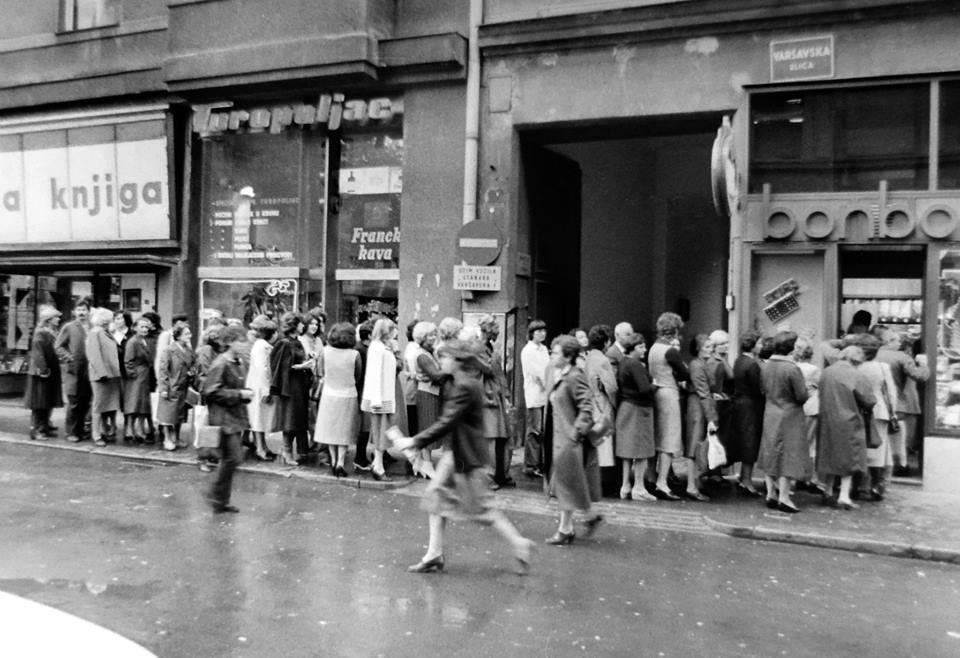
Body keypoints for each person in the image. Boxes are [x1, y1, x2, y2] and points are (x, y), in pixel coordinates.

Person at [392, 339, 535, 575]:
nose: (441, 361)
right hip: (457, 452)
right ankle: (434, 554)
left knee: (482, 510)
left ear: (458, 360)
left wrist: (415, 441)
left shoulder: (465, 385)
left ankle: (520, 543)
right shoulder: (459, 380)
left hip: (467, 457)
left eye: (445, 357)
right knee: (436, 497)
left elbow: (447, 421)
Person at [544, 334, 603, 544]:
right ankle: (576, 523)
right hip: (561, 438)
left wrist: (576, 434)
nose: (552, 356)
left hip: (569, 440)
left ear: (568, 357)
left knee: (567, 484)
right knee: (567, 484)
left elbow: (586, 406)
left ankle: (571, 526)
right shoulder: (560, 374)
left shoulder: (574, 376)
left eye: (556, 353)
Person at [818, 344, 876, 510]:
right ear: (856, 360)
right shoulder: (856, 375)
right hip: (849, 420)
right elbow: (869, 400)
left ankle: (828, 491)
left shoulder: (827, 372)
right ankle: (843, 496)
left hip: (827, 418)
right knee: (849, 459)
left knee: (830, 455)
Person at [203, 324, 254, 514]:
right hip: (223, 419)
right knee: (233, 457)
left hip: (234, 417)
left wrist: (244, 394)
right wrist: (240, 394)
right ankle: (215, 494)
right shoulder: (221, 363)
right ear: (230, 342)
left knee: (229, 458)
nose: (244, 345)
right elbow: (211, 391)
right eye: (240, 341)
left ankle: (220, 500)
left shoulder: (237, 362)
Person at [757, 331, 809, 513]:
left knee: (770, 452)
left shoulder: (765, 366)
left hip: (770, 412)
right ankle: (784, 497)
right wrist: (808, 390)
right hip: (790, 415)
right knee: (788, 455)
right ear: (791, 349)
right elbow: (801, 396)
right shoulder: (792, 369)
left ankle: (770, 493)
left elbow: (762, 390)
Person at [647, 312, 690, 500]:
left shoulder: (653, 348)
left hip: (656, 392)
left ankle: (651, 476)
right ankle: (662, 482)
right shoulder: (671, 351)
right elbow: (684, 374)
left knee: (657, 436)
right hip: (669, 393)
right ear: (675, 330)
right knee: (669, 439)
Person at [876, 328, 929, 476]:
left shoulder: (872, 355)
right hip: (897, 403)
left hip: (876, 403)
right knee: (899, 437)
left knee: (881, 436)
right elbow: (920, 376)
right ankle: (900, 465)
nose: (900, 343)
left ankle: (880, 467)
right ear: (890, 341)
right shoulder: (901, 357)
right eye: (898, 340)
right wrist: (923, 364)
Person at [316, 322, 362, 476]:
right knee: (344, 432)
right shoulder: (354, 355)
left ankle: (334, 460)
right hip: (348, 395)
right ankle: (340, 463)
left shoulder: (325, 352)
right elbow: (358, 376)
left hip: (329, 394)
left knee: (331, 431)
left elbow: (320, 372)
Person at [615, 332, 657, 501]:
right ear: (632, 348)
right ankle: (639, 487)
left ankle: (625, 486)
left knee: (627, 450)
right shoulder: (636, 365)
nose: (644, 350)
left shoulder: (623, 362)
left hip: (626, 407)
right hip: (639, 409)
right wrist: (655, 385)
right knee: (641, 450)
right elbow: (645, 389)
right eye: (641, 347)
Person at [855, 333, 898, 501]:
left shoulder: (854, 366)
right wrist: (893, 412)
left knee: (859, 447)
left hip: (858, 409)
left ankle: (857, 485)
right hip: (879, 410)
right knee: (879, 448)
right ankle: (876, 485)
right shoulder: (882, 367)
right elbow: (891, 393)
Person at [270, 312, 314, 466]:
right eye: (301, 323)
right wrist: (301, 366)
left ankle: (296, 451)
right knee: (290, 419)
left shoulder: (297, 342)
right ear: (294, 325)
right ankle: (287, 451)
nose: (303, 325)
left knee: (298, 418)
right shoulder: (284, 343)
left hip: (300, 385)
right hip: (290, 387)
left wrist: (307, 362)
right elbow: (279, 366)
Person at [361, 318, 401, 480]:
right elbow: (375, 374)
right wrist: (376, 400)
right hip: (381, 398)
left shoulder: (382, 347)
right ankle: (378, 466)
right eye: (393, 329)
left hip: (385, 396)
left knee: (382, 431)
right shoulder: (378, 348)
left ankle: (377, 463)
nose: (395, 333)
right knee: (381, 431)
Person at [478, 314, 515, 489]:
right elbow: (485, 371)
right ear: (487, 329)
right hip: (487, 397)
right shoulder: (478, 348)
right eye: (496, 328)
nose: (498, 331)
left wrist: (506, 395)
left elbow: (499, 374)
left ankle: (501, 473)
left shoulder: (489, 347)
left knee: (502, 436)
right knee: (490, 437)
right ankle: (488, 477)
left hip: (496, 396)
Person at [728, 330, 764, 496]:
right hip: (751, 406)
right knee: (750, 441)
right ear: (753, 345)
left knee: (744, 441)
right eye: (759, 343)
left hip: (739, 404)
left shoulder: (739, 360)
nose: (761, 346)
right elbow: (758, 389)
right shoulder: (752, 364)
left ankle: (744, 478)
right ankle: (747, 480)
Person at [682, 334, 715, 502]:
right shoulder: (697, 365)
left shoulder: (700, 364)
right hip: (697, 406)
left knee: (696, 444)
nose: (711, 349)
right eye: (707, 347)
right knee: (694, 445)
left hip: (698, 404)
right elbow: (703, 392)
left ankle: (694, 481)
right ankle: (691, 485)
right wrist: (711, 418)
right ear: (698, 349)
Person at [55, 298, 92, 442]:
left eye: (84, 310)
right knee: (74, 402)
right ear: (74, 312)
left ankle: (81, 430)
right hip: (74, 370)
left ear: (89, 312)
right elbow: (58, 346)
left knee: (85, 401)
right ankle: (71, 432)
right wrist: (69, 358)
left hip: (89, 370)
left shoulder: (92, 327)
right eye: (79, 310)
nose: (81, 313)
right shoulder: (69, 327)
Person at [412, 321, 445, 478]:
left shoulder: (429, 352)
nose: (434, 337)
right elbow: (437, 376)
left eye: (434, 334)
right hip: (428, 394)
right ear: (422, 337)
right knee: (427, 428)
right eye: (430, 335)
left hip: (431, 392)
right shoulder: (422, 355)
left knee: (429, 427)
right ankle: (427, 465)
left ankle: (420, 463)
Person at [24, 305, 63, 441]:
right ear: (48, 319)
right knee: (39, 403)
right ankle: (37, 430)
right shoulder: (40, 333)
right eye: (56, 317)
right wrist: (44, 369)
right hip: (41, 374)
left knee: (47, 401)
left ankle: (44, 426)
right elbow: (38, 353)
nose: (58, 319)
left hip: (50, 371)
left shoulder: (51, 332)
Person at [86, 307, 122, 447]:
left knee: (108, 405)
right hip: (101, 375)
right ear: (105, 320)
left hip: (111, 374)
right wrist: (102, 373)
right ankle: (96, 434)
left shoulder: (105, 332)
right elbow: (94, 355)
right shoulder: (95, 333)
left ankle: (105, 430)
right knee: (99, 405)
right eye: (110, 319)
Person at [157, 323, 196, 451]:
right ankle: (167, 438)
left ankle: (177, 437)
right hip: (171, 386)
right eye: (186, 334)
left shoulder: (188, 350)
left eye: (189, 333)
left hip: (183, 387)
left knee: (180, 414)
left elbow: (193, 365)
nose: (189, 336)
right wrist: (163, 388)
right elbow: (163, 370)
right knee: (168, 415)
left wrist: (192, 372)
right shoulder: (169, 350)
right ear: (178, 336)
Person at [195, 320, 227, 471]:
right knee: (206, 425)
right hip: (209, 393)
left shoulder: (219, 351)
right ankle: (203, 458)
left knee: (216, 425)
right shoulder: (206, 350)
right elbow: (205, 372)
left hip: (218, 392)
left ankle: (214, 455)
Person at [793, 336, 824, 493]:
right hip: (811, 408)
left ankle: (797, 475)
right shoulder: (814, 370)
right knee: (810, 444)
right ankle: (809, 477)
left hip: (796, 409)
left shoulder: (792, 367)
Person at [245, 316, 277, 461]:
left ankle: (263, 446)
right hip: (259, 386)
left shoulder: (260, 345)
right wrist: (266, 390)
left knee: (260, 417)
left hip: (257, 384)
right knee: (258, 417)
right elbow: (263, 369)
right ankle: (260, 448)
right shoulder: (262, 347)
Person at [520, 319, 549, 478]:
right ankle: (531, 465)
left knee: (542, 431)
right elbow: (536, 373)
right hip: (535, 394)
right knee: (534, 430)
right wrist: (548, 385)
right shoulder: (528, 350)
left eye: (543, 330)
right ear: (532, 333)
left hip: (545, 394)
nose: (542, 334)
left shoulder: (544, 349)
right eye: (538, 331)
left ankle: (539, 462)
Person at [123, 317, 154, 444]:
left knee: (142, 404)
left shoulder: (143, 341)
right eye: (142, 327)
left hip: (144, 375)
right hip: (137, 376)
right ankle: (130, 430)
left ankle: (139, 430)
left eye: (146, 327)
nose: (145, 329)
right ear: (135, 328)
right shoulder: (133, 342)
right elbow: (128, 360)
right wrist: (132, 374)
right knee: (134, 403)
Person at [352, 320, 375, 472]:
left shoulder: (363, 348)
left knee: (365, 427)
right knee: (364, 428)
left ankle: (361, 457)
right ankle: (359, 458)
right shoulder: (361, 350)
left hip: (364, 390)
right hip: (362, 391)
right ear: (369, 335)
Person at [112, 311, 134, 441]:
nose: (117, 321)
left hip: (126, 373)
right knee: (113, 400)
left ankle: (128, 427)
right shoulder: (111, 334)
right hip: (113, 372)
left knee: (127, 401)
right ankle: (112, 425)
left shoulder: (132, 335)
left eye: (120, 318)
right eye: (115, 318)